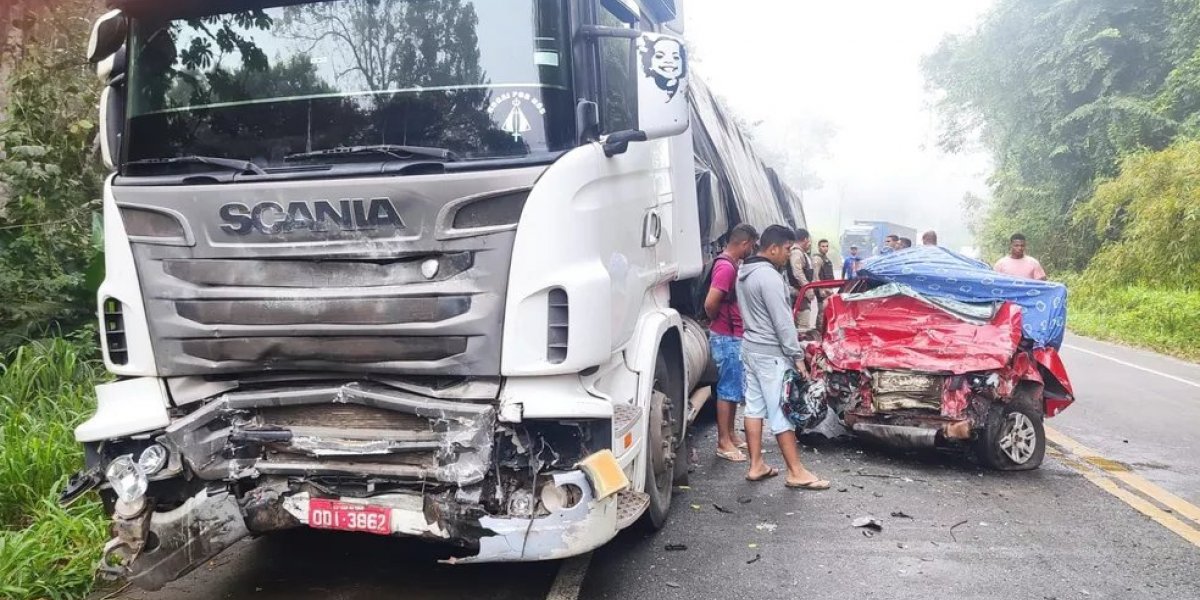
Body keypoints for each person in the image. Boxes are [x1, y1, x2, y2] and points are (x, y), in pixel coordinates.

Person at [736, 225, 830, 490]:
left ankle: (756, 465)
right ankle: (796, 471)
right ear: (773, 248)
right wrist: (797, 356)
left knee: (754, 408)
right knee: (781, 411)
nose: (788, 255)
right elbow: (783, 323)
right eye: (787, 250)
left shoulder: (744, 272)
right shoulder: (769, 277)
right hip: (770, 353)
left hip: (751, 348)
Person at [704, 223, 759, 462]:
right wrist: (719, 321)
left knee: (734, 386)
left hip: (732, 334)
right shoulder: (726, 268)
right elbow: (711, 303)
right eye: (752, 245)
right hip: (727, 336)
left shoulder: (730, 264)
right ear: (744, 243)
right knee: (727, 389)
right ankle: (723, 442)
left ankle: (732, 435)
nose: (752, 250)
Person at [788, 228, 816, 335]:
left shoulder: (802, 253)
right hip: (799, 294)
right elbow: (797, 273)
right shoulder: (796, 253)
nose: (809, 243)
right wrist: (807, 289)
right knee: (802, 326)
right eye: (808, 240)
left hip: (802, 294)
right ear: (805, 239)